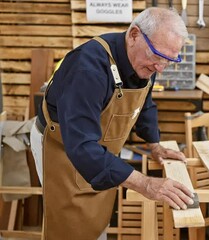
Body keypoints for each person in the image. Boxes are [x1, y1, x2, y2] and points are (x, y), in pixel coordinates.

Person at [29, 7, 194, 240]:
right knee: (70, 227)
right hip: (63, 150)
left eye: (169, 60)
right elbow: (82, 146)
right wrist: (145, 184)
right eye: (157, 56)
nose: (160, 67)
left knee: (96, 221)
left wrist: (155, 144)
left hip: (99, 152)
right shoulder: (87, 68)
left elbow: (143, 103)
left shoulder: (149, 61)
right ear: (134, 35)